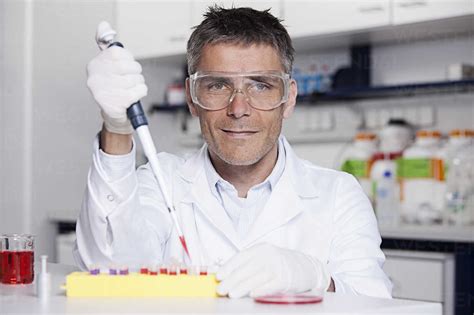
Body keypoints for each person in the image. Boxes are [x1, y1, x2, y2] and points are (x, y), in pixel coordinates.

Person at [75, 6, 392, 299]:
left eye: (260, 85)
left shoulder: (338, 194)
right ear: (191, 97)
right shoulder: (162, 181)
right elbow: (110, 268)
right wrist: (116, 127)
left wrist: (317, 278)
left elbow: (378, 305)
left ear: (289, 98)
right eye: (217, 86)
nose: (239, 109)